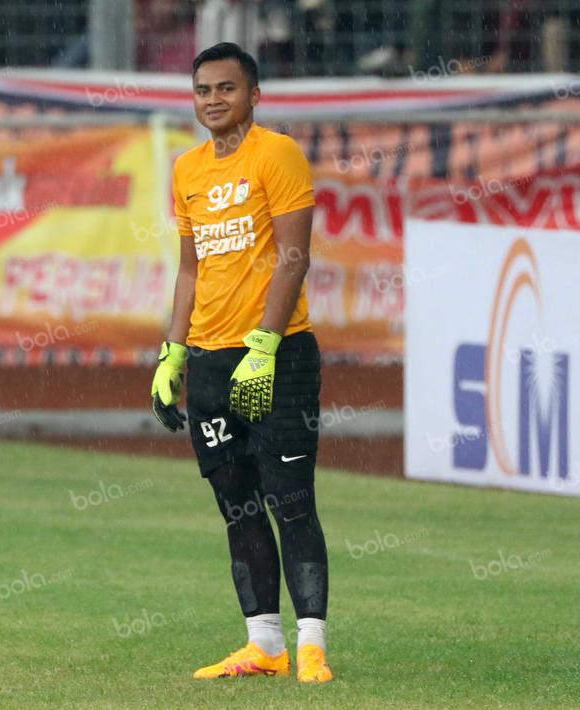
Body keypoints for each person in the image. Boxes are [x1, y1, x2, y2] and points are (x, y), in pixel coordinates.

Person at [152, 42, 333, 684]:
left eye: (226, 88)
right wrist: (174, 350)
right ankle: (264, 643)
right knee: (236, 503)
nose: (213, 100)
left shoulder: (276, 153)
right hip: (208, 361)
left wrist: (265, 343)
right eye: (203, 90)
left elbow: (294, 256)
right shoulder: (187, 169)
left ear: (254, 95)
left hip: (278, 356)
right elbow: (190, 267)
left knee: (290, 498)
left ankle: (312, 644)